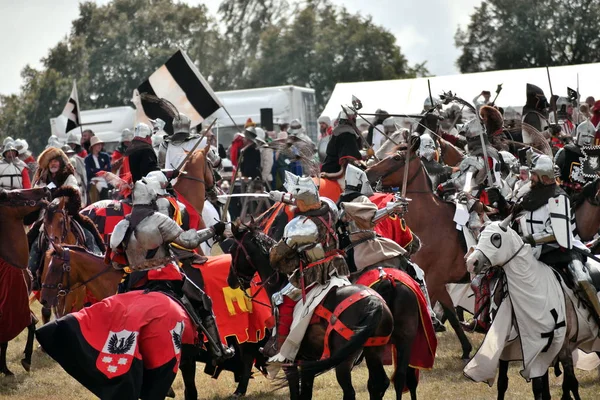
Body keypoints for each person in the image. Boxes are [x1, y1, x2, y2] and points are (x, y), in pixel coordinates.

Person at [110, 179, 234, 363]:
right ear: (153, 199)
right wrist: (214, 229)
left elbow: (116, 263)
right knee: (203, 300)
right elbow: (189, 241)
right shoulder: (159, 220)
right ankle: (217, 349)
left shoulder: (122, 225)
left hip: (134, 281)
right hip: (165, 277)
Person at [263, 172, 348, 363]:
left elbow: (278, 254)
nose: (295, 204)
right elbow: (306, 201)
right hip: (337, 266)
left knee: (280, 298)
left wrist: (274, 255)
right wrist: (282, 198)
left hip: (316, 272)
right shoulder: (329, 209)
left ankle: (281, 346)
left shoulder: (301, 227)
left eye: (297, 200)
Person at [513, 154, 600, 323]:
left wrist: (529, 239)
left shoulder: (559, 198)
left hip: (561, 250)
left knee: (582, 280)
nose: (531, 177)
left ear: (544, 177)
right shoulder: (529, 194)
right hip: (530, 250)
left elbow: (557, 233)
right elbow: (514, 215)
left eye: (535, 174)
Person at [320, 107, 363, 181]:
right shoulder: (347, 134)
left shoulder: (339, 132)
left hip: (329, 167)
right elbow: (347, 161)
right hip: (336, 172)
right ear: (352, 120)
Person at [554, 119, 595, 195]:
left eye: (590, 136)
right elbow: (556, 174)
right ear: (578, 135)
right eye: (585, 136)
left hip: (586, 199)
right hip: (564, 194)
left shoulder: (594, 158)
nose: (587, 140)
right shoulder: (566, 152)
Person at [84, 136, 111, 202]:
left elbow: (108, 169)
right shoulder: (88, 159)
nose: (100, 146)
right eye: (98, 144)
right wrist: (102, 169)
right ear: (93, 146)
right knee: (93, 188)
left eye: (100, 144)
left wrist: (95, 170)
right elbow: (89, 173)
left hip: (105, 179)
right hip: (94, 180)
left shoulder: (105, 156)